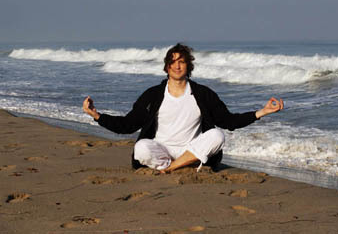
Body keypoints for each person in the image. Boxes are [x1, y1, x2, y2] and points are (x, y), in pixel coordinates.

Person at [82, 43, 284, 173]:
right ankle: (173, 166)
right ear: (166, 67)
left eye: (182, 62)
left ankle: (172, 168)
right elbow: (128, 124)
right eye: (173, 62)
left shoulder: (203, 93)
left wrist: (262, 112)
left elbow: (227, 121)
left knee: (218, 135)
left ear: (188, 66)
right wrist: (97, 115)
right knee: (140, 148)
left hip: (191, 149)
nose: (177, 66)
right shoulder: (153, 95)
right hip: (161, 150)